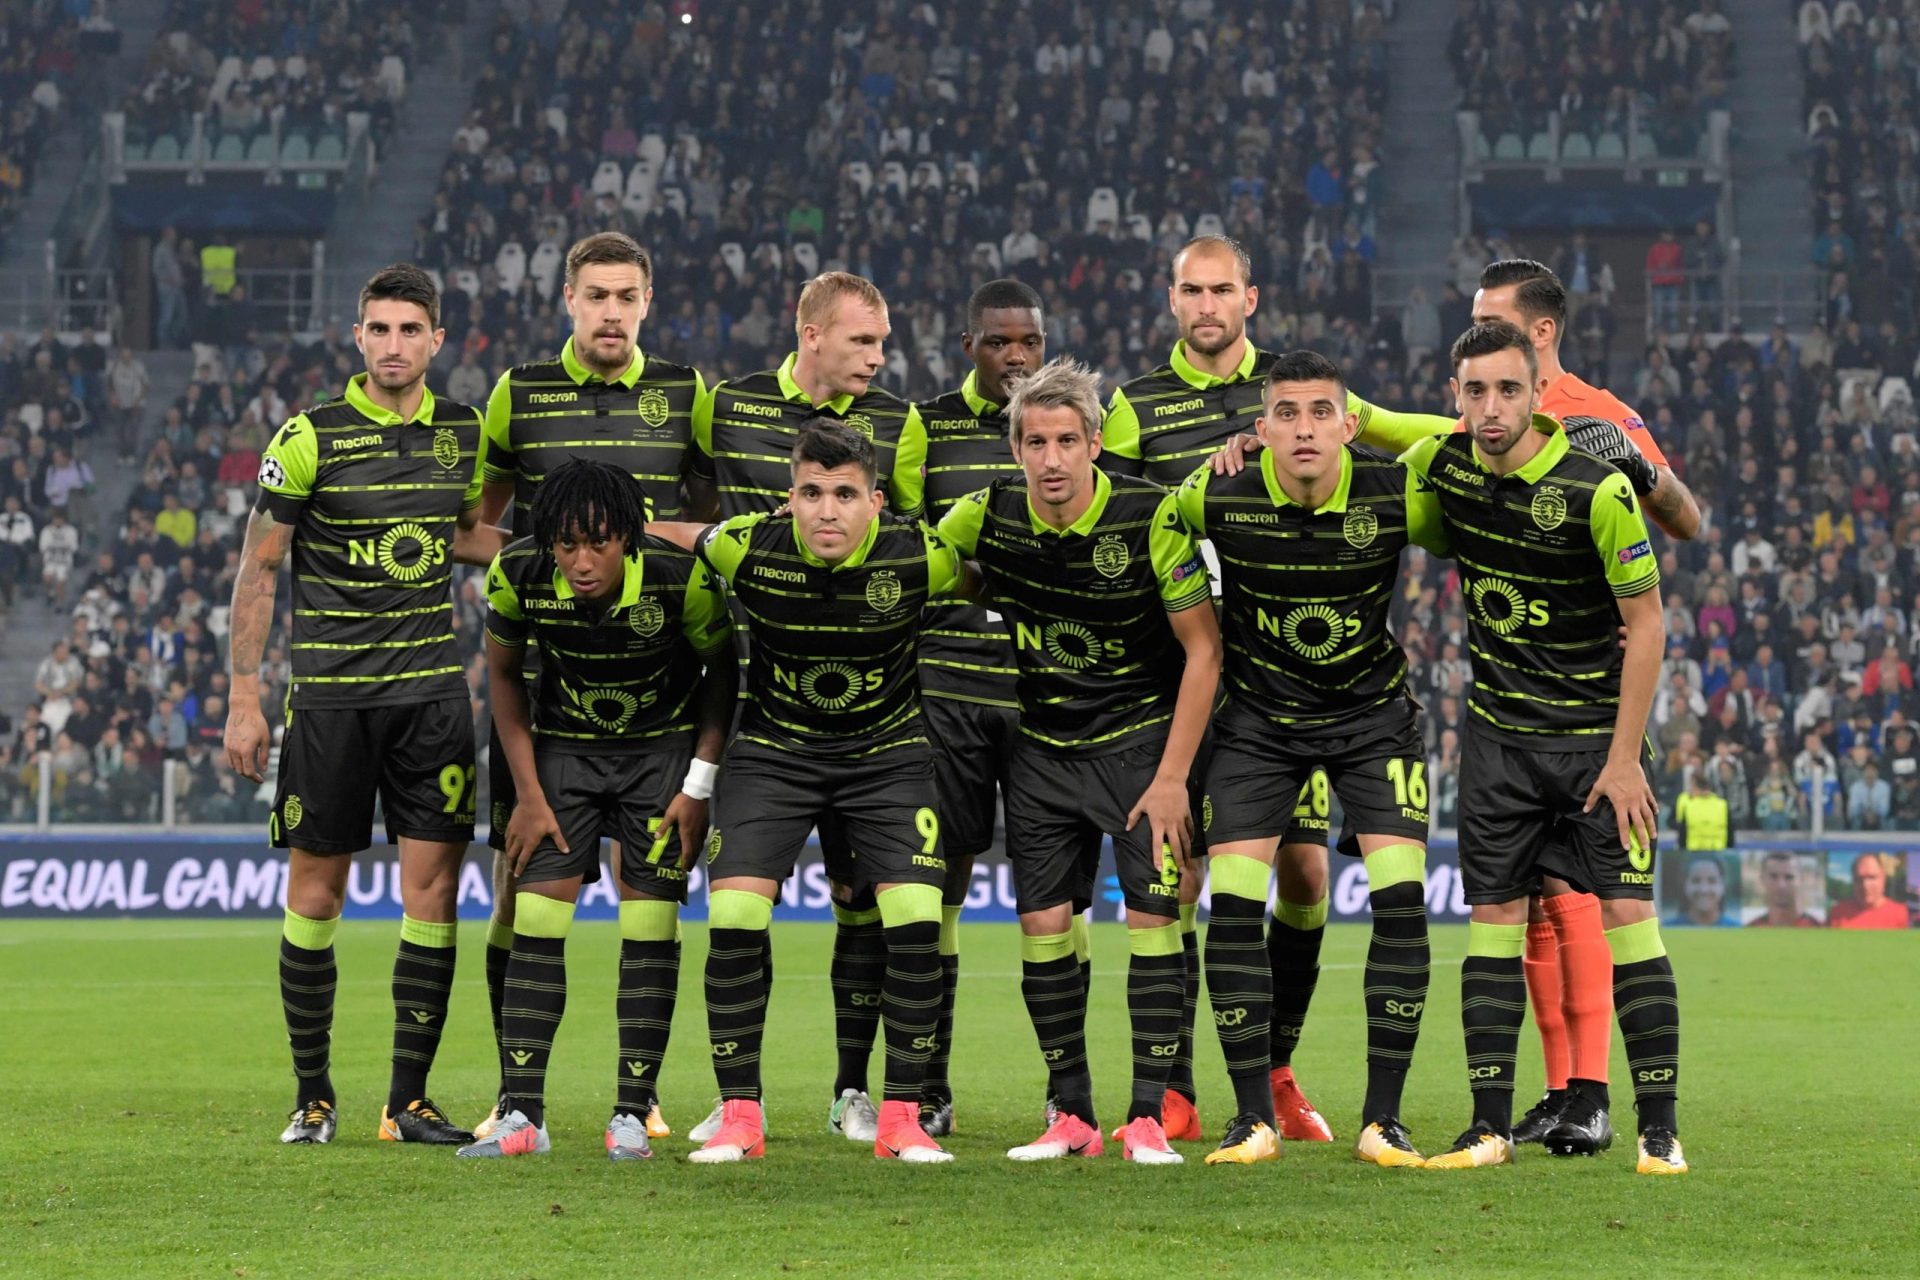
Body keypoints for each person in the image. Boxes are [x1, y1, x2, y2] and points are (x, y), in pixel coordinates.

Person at [1337, 259, 1702, 1150]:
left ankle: (1592, 1089)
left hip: (1588, 706)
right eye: (1473, 380)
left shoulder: (1602, 421)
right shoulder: (1473, 432)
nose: (1485, 389)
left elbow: (1686, 520)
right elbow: (1441, 442)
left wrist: (1645, 480)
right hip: (1507, 721)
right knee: (1523, 909)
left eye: (1491, 322)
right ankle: (1551, 1093)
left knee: (1588, 902)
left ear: (1537, 342)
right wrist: (1351, 422)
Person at [222, 264, 505, 1146]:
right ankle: (312, 1094)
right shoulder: (309, 436)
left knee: (434, 896)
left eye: (408, 330)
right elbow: (260, 565)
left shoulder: (462, 433)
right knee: (315, 895)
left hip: (430, 701)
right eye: (378, 329)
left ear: (436, 340)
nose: (392, 345)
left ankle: (406, 1101)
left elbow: (460, 532)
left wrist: (565, 543)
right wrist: (243, 695)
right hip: (331, 704)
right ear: (358, 337)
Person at [1407, 321, 1686, 1176]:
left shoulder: (1595, 488)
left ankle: (1660, 1131)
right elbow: (1374, 461)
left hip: (1597, 746)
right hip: (1498, 744)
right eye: (1474, 392)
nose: (1491, 409)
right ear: (1456, 397)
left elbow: (1648, 626)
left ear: (1537, 393)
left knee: (1631, 921)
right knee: (1490, 927)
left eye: (1508, 391)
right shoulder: (1439, 469)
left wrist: (1625, 758)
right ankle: (1488, 1125)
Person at [938, 358, 1222, 1166]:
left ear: (1095, 444)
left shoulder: (1149, 519)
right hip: (1041, 751)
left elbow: (1204, 651)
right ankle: (1072, 1114)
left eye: (1067, 440)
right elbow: (907, 557)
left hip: (1139, 747)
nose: (1051, 458)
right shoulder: (985, 515)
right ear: (1015, 448)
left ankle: (1145, 1115)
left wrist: (1173, 779)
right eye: (1035, 441)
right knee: (1043, 929)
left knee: (1153, 925)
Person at [662, 421, 971, 1165]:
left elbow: (990, 571)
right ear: (787, 499)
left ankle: (900, 1118)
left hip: (888, 755)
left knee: (915, 917)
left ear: (876, 502)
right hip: (776, 751)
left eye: (844, 494)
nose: (827, 511)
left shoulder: (920, 556)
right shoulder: (746, 547)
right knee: (734, 910)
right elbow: (681, 535)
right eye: (810, 493)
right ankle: (740, 1115)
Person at [470, 231, 711, 1145]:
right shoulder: (518, 394)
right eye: (595, 295)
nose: (611, 311)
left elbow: (720, 522)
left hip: (661, 691)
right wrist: (556, 566)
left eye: (627, 297)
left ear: (647, 302)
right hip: (550, 692)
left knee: (645, 897)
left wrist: (637, 549)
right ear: (568, 298)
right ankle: (514, 1090)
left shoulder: (687, 395)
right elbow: (476, 526)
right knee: (521, 893)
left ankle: (635, 1095)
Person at [1182, 350, 1445, 1167]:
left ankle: (1383, 1120)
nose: (1304, 429)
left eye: (1320, 413)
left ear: (1348, 423)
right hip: (1258, 723)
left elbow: (1488, 485)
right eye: (1286, 414)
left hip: (1372, 720)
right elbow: (1134, 533)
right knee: (1232, 903)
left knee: (1401, 904)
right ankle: (1251, 1116)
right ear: (1259, 430)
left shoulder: (1394, 491)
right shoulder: (1213, 494)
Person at [686, 271, 930, 1147]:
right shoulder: (729, 408)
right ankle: (739, 1103)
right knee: (740, 910)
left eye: (882, 342)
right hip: (774, 718)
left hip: (878, 721)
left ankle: (860, 1092)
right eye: (862, 340)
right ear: (810, 332)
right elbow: (695, 521)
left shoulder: (902, 428)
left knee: (872, 908)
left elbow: (930, 548)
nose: (878, 356)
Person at [1102, 235, 1333, 1142]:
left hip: (1288, 674)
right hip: (1182, 670)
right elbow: (1117, 517)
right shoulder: (1134, 407)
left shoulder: (1296, 389)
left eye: (1223, 289)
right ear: (1171, 301)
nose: (1207, 305)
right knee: (1182, 871)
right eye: (1191, 290)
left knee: (1307, 871)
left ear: (1252, 297)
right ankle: (1179, 1086)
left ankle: (1275, 1067)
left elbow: (1371, 446)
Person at [456, 460, 734, 1160]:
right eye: (567, 545)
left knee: (649, 926)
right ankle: (524, 1117)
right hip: (563, 755)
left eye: (600, 543)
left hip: (659, 756)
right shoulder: (518, 572)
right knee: (537, 917)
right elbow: (502, 674)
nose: (582, 562)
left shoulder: (680, 578)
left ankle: (631, 1116)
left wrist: (696, 786)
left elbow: (722, 676)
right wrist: (527, 792)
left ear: (629, 538)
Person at [908, 278, 1048, 1138]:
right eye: (1000, 342)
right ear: (971, 347)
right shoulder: (927, 428)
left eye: (1028, 340)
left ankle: (1064, 1092)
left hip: (1043, 694)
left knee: (1050, 894)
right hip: (950, 691)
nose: (1018, 356)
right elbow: (911, 546)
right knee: (942, 884)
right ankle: (928, 1082)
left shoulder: (1067, 427)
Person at [1829, 853, 1907, 929]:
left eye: (1872, 877)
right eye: (1859, 879)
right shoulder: (1837, 913)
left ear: (1883, 879)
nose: (1865, 885)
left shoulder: (1902, 915)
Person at [1746, 851, 1823, 928]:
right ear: (1762, 879)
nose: (1781, 885)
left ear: (1802, 879)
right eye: (1773, 876)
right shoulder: (1750, 930)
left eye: (1789, 877)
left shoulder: (1820, 929)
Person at [1665, 854, 1738, 927]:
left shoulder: (1737, 930)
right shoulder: (1666, 929)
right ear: (1684, 885)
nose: (1704, 890)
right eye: (1696, 881)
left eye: (1712, 881)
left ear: (1723, 885)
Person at [1673, 773, 1730, 853]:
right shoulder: (1722, 805)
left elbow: (1683, 833)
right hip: (1719, 850)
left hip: (1694, 851)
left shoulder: (1689, 806)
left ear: (1696, 788)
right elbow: (1730, 830)